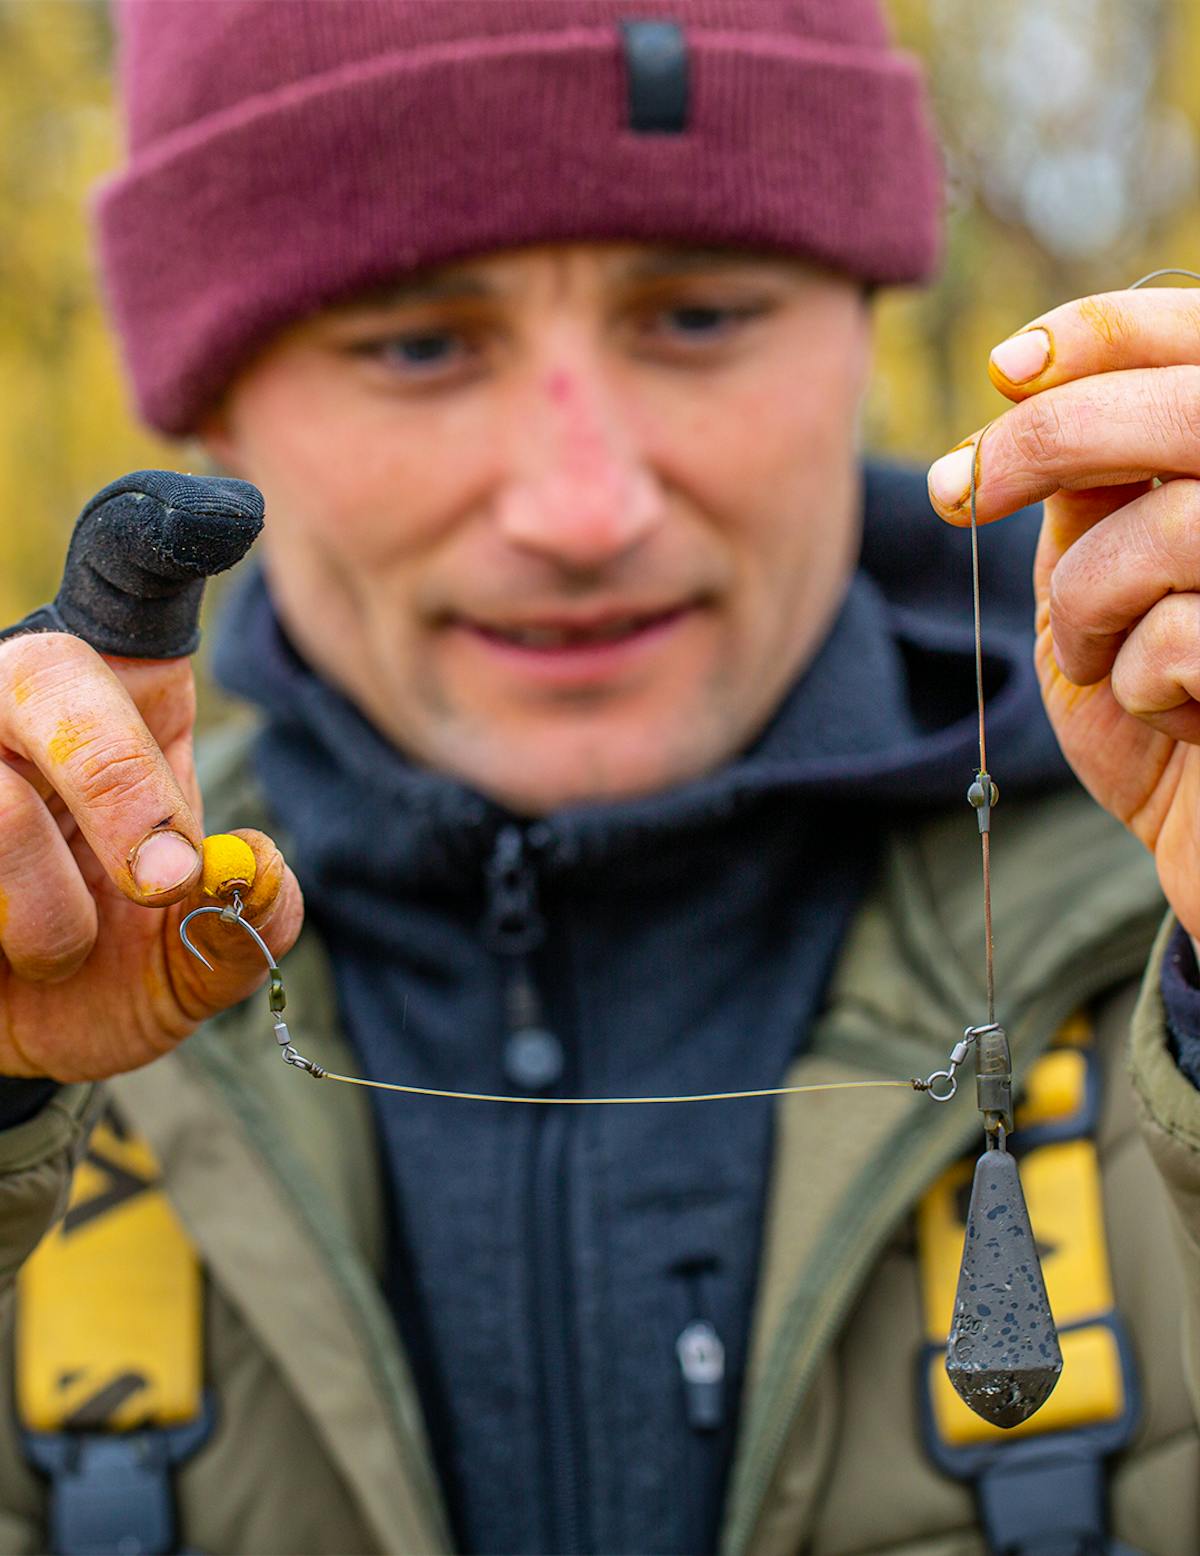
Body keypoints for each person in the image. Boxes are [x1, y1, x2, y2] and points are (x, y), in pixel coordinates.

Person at [0, 2, 1197, 1552]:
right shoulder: (51, 984)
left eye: (697, 316)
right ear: (215, 403)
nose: (582, 508)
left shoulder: (1167, 900)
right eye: (420, 345)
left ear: (866, 319)